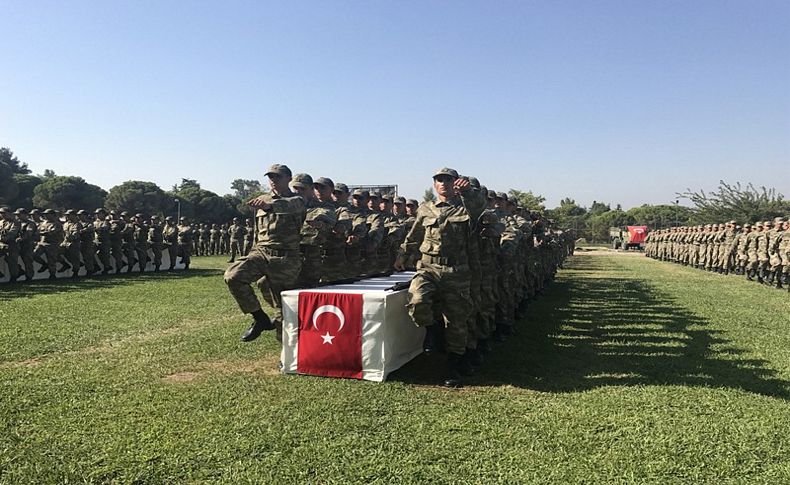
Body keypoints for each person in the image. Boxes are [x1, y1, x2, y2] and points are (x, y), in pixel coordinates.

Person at [394, 167, 485, 388]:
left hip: (457, 271)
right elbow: (415, 234)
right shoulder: (426, 209)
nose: (443, 183)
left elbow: (479, 207)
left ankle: (453, 367)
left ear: (456, 183)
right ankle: (433, 330)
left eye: (448, 179)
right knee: (417, 301)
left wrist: (469, 192)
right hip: (427, 266)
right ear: (434, 184)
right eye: (439, 180)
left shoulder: (465, 206)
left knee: (456, 321)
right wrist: (402, 255)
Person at [224, 164, 306, 342]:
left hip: (285, 257)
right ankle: (260, 319)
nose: (273, 180)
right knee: (233, 276)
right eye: (270, 177)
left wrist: (269, 206)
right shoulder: (262, 199)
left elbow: (286, 206)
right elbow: (257, 230)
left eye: (277, 177)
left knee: (283, 308)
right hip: (261, 251)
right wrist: (252, 249)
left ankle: (287, 352)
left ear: (288, 179)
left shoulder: (297, 200)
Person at [291, 174, 336, 288]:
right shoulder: (288, 205)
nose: (298, 192)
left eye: (302, 189)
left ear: (310, 190)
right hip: (289, 254)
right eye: (296, 188)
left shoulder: (322, 207)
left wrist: (319, 224)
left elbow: (327, 218)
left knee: (308, 289)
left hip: (309, 256)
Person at [0, 207, 21, 282]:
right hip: (2, 244)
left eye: (4, 213)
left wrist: (3, 238)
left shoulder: (15, 223)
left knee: (12, 263)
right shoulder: (1, 222)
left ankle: (14, 277)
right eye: (1, 213)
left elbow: (12, 234)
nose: (2, 215)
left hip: (12, 245)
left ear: (9, 213)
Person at [61, 209, 82, 279]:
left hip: (74, 243)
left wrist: (69, 236)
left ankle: (76, 272)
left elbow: (75, 235)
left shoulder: (77, 224)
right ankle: (67, 264)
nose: (67, 216)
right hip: (65, 242)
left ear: (73, 215)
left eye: (69, 215)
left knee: (75, 257)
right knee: (58, 252)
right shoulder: (65, 224)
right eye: (66, 215)